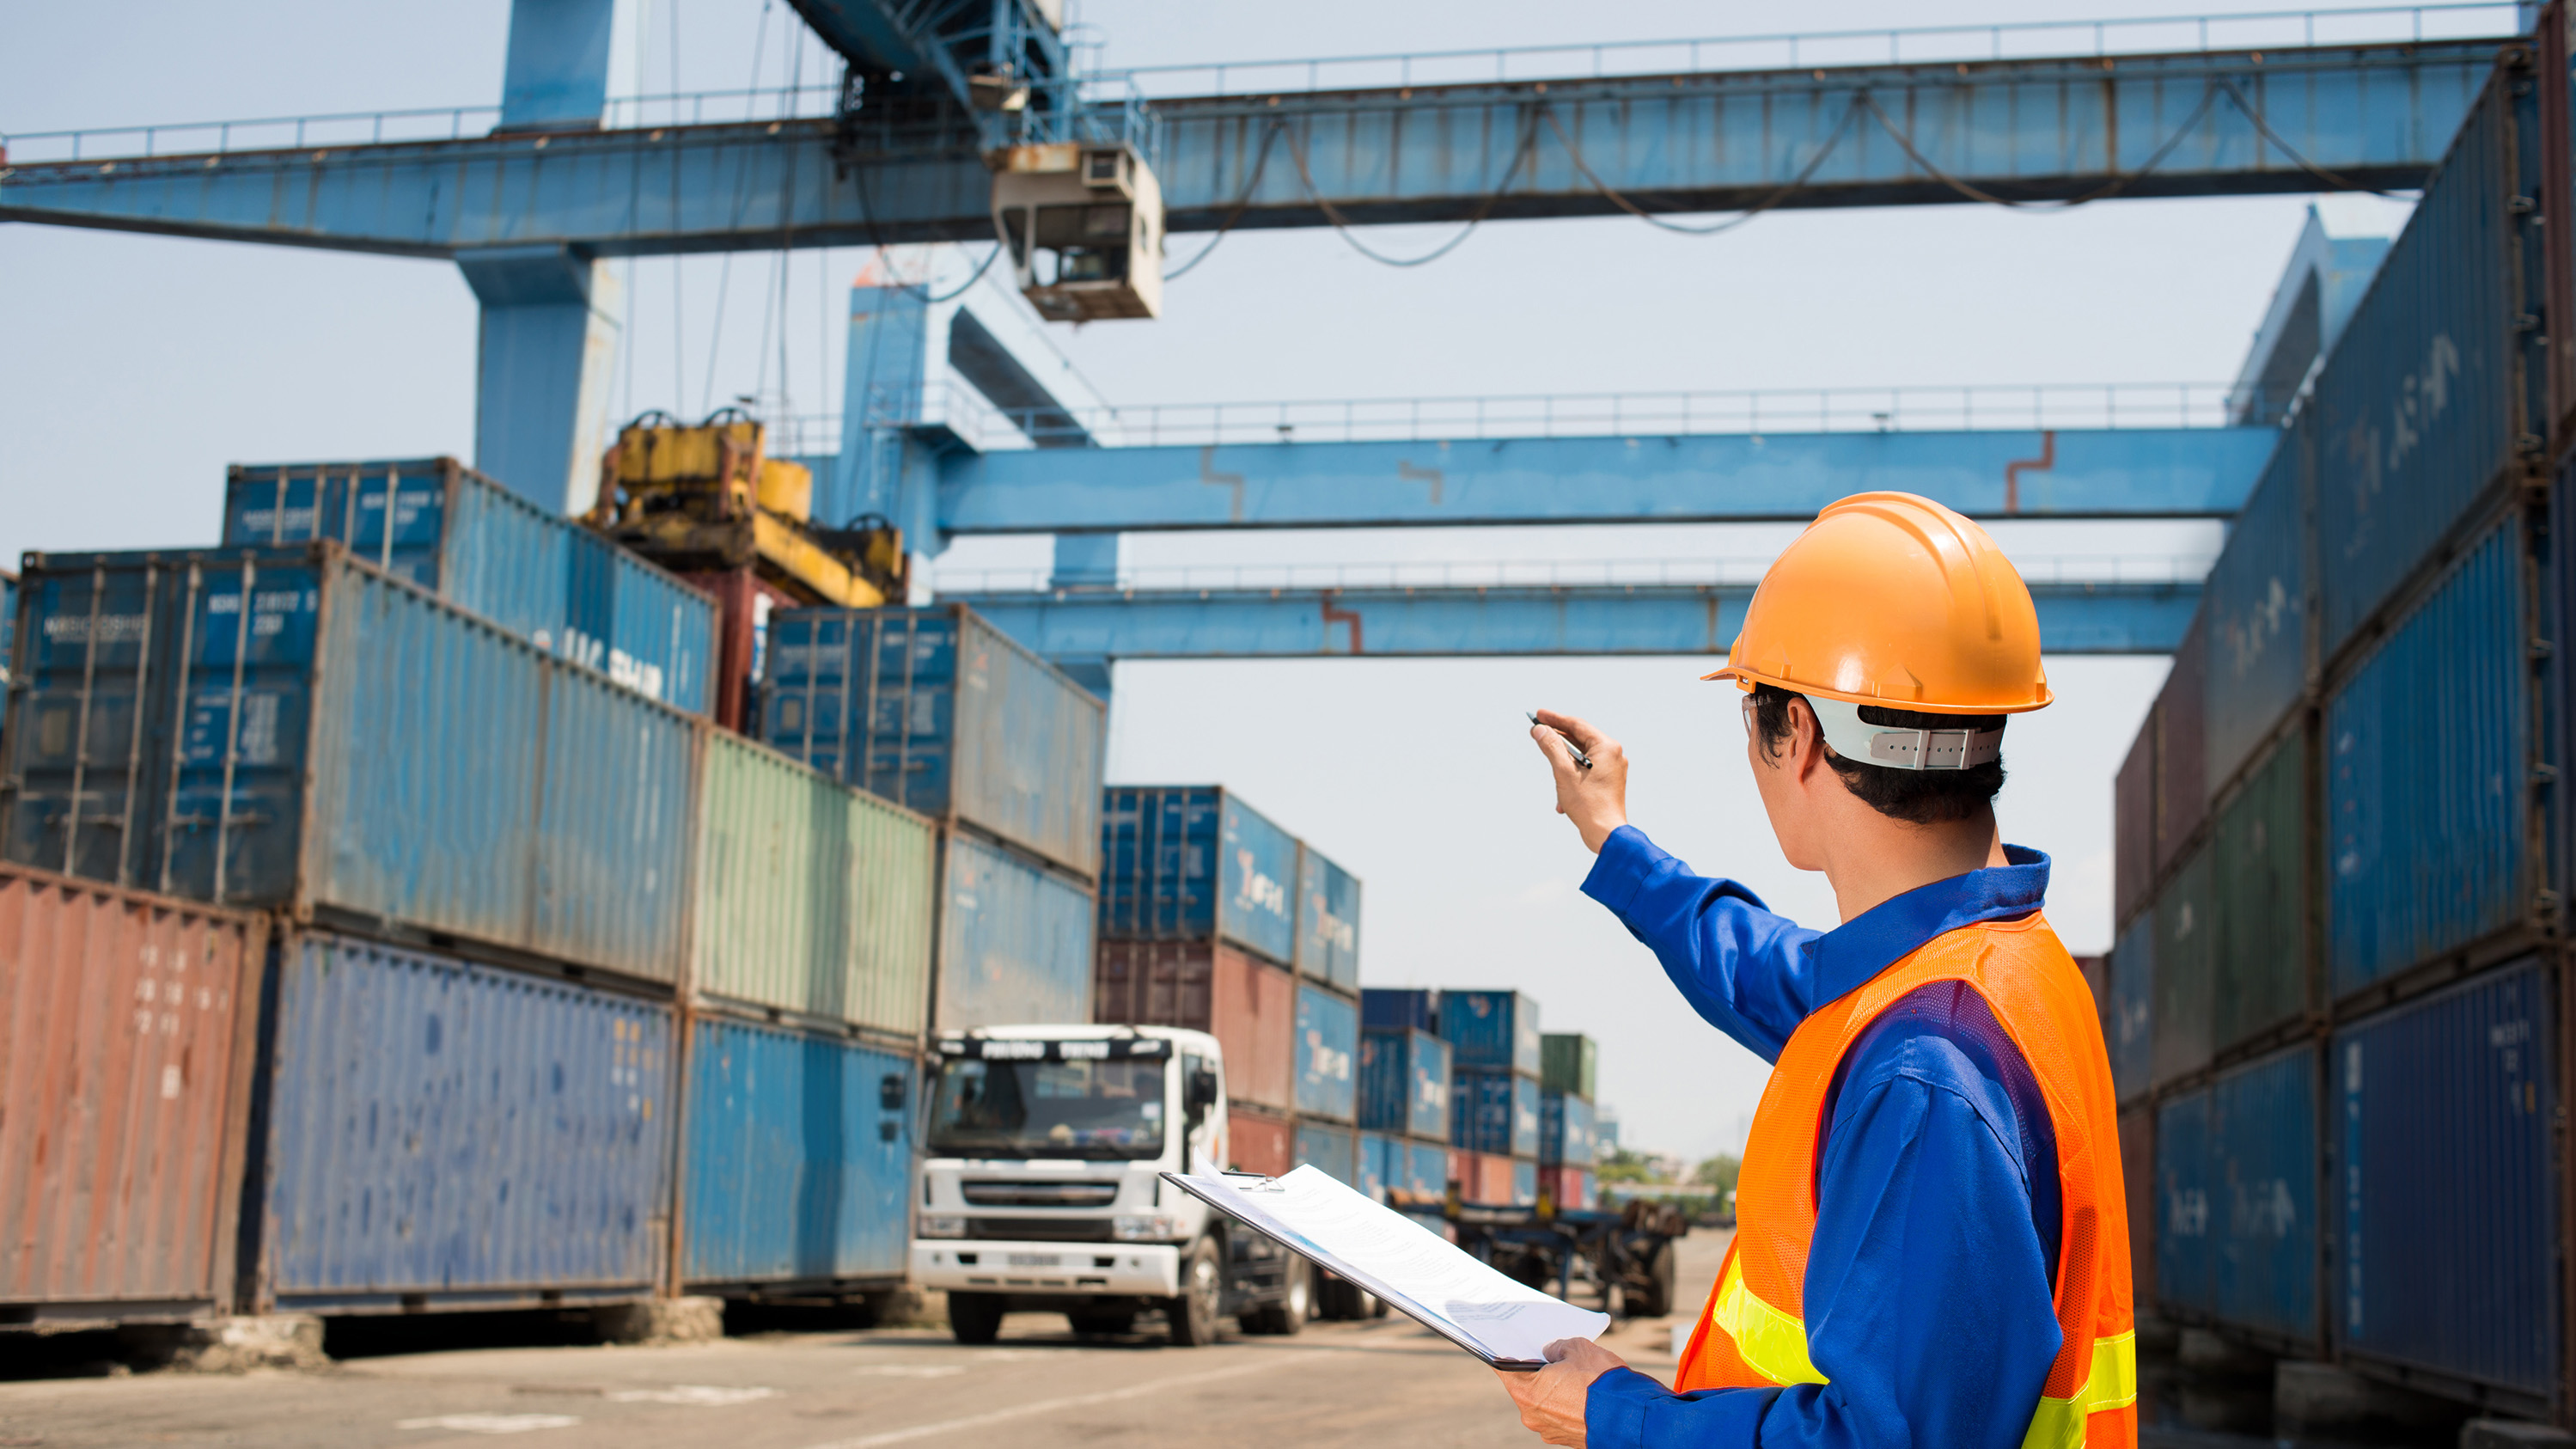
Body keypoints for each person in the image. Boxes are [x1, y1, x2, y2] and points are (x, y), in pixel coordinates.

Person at [1501, 492, 2134, 1449]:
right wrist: (1610, 835)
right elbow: (1780, 977)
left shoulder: (1927, 1068)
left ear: (1792, 732)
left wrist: (1613, 1416)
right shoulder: (1994, 968)